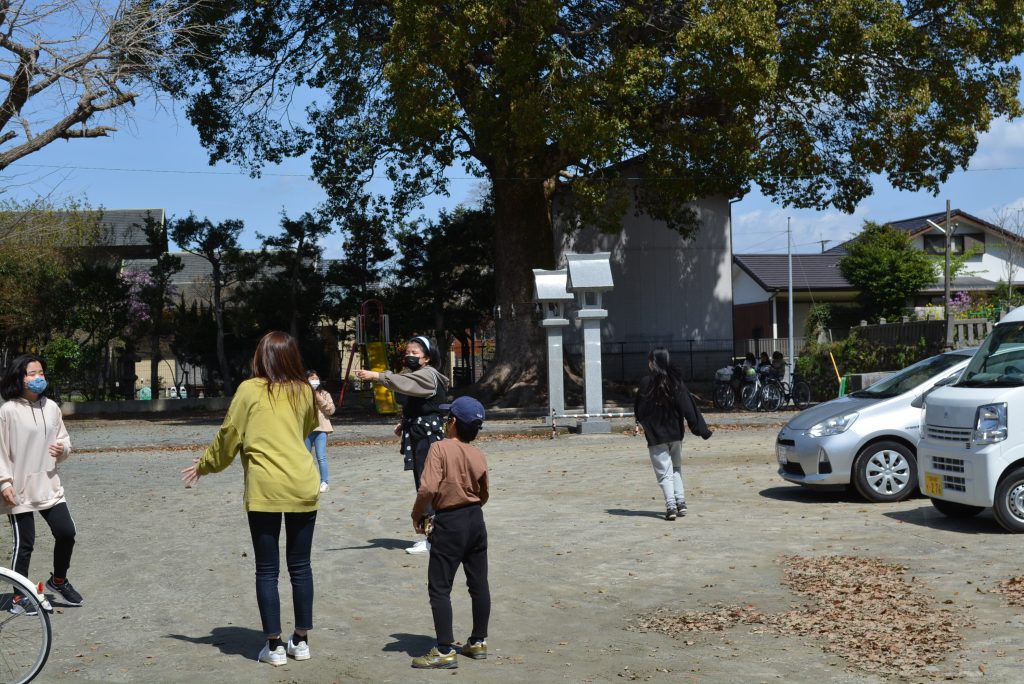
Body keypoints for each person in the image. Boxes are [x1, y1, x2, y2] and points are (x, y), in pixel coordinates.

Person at [181, 331, 320, 667]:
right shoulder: (304, 390)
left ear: (262, 357)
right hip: (303, 482)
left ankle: (273, 646)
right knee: (301, 566)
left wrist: (205, 465)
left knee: (267, 569)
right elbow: (305, 429)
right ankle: (300, 641)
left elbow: (229, 436)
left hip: (265, 486)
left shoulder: (249, 389)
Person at [410, 396, 490, 670]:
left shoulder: (439, 448)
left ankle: (444, 649)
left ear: (453, 422)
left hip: (451, 521)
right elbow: (484, 492)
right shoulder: (477, 453)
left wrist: (418, 513)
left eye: (448, 418)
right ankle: (478, 641)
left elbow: (428, 488)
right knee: (478, 583)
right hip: (475, 520)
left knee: (440, 586)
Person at [0, 354, 84, 611]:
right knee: (25, 544)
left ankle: (58, 580)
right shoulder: (8, 411)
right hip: (19, 488)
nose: (38, 378)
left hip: (49, 484)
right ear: (19, 377)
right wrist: (4, 483)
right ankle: (18, 597)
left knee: (66, 533)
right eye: (32, 373)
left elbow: (65, 440)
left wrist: (63, 451)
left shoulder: (52, 408)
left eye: (41, 373)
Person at [354, 335, 450, 554]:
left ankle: (434, 538)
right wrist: (405, 422)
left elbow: (402, 383)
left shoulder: (427, 375)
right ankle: (433, 535)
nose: (410, 356)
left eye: (415, 353)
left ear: (427, 357)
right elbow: (415, 401)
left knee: (427, 485)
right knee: (424, 482)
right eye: (408, 352)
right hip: (419, 431)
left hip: (427, 436)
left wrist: (378, 375)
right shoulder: (417, 375)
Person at [634, 347, 713, 521]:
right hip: (676, 434)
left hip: (656, 437)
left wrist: (645, 424)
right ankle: (681, 502)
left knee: (664, 473)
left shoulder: (646, 383)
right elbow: (689, 408)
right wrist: (701, 430)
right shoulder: (676, 383)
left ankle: (671, 505)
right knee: (676, 468)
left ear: (653, 363)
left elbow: (640, 410)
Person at [305, 370, 335, 493]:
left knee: (321, 457)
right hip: (306, 429)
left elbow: (331, 410)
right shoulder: (302, 393)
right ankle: (307, 481)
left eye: (316, 378)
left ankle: (324, 482)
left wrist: (319, 398)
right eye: (311, 378)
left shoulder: (325, 393)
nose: (314, 381)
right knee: (305, 457)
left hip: (321, 429)